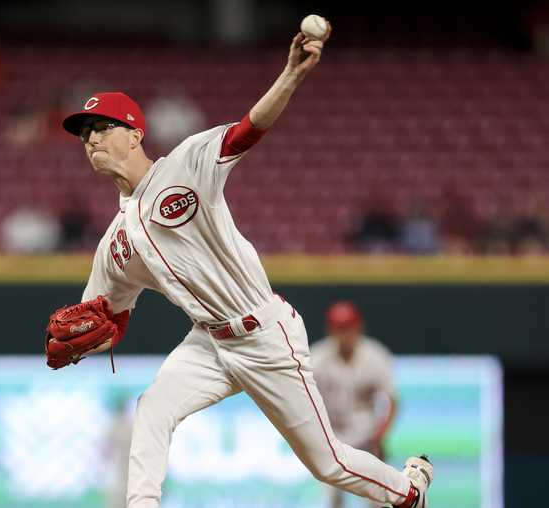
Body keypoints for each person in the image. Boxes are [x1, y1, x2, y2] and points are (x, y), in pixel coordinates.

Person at [56, 22, 433, 508]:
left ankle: (409, 491)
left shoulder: (185, 163)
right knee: (153, 408)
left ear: (133, 134)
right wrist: (86, 341)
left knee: (328, 463)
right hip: (208, 342)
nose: (90, 140)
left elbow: (247, 129)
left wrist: (291, 76)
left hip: (266, 334)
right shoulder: (113, 247)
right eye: (84, 134)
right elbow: (108, 319)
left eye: (101, 128)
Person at [311, 301, 398, 508]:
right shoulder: (317, 358)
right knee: (333, 499)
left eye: (348, 327)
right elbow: (306, 401)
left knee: (377, 499)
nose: (344, 334)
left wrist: (380, 435)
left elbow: (392, 401)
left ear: (358, 327)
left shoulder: (374, 355)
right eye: (339, 328)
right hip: (333, 439)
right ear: (330, 330)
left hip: (366, 438)